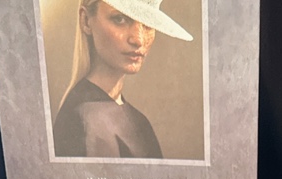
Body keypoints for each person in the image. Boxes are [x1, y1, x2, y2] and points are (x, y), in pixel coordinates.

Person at [52, 0, 192, 159]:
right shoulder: (84, 121)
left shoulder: (137, 120)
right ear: (86, 21)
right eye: (120, 19)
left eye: (148, 23)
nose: (138, 40)